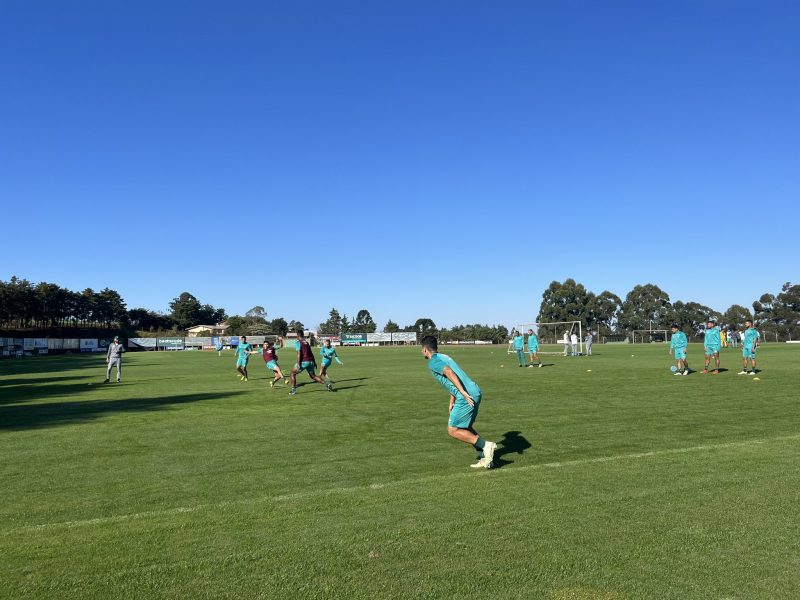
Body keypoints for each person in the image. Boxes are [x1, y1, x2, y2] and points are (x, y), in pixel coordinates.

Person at [420, 335, 497, 469]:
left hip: (467, 395)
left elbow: (449, 372)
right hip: (474, 391)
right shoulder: (444, 357)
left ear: (425, 350)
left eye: (421, 349)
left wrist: (462, 393)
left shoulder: (433, 361)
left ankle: (486, 446)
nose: (421, 352)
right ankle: (486, 456)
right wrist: (452, 400)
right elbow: (452, 380)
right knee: (466, 427)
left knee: (453, 430)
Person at [290, 330, 331, 395]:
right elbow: (311, 353)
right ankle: (327, 384)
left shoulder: (298, 343)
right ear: (303, 335)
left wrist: (298, 363)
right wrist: (314, 362)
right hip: (310, 362)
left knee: (292, 374)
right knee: (313, 376)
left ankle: (293, 390)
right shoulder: (306, 343)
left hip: (304, 362)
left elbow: (299, 354)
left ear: (297, 335)